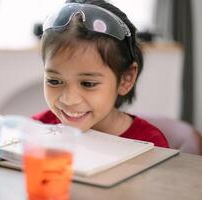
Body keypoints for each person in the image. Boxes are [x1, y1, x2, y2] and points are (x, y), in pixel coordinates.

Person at [32, 0, 169, 148]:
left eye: (88, 84)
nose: (69, 100)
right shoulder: (37, 128)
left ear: (125, 79)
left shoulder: (151, 145)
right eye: (54, 81)